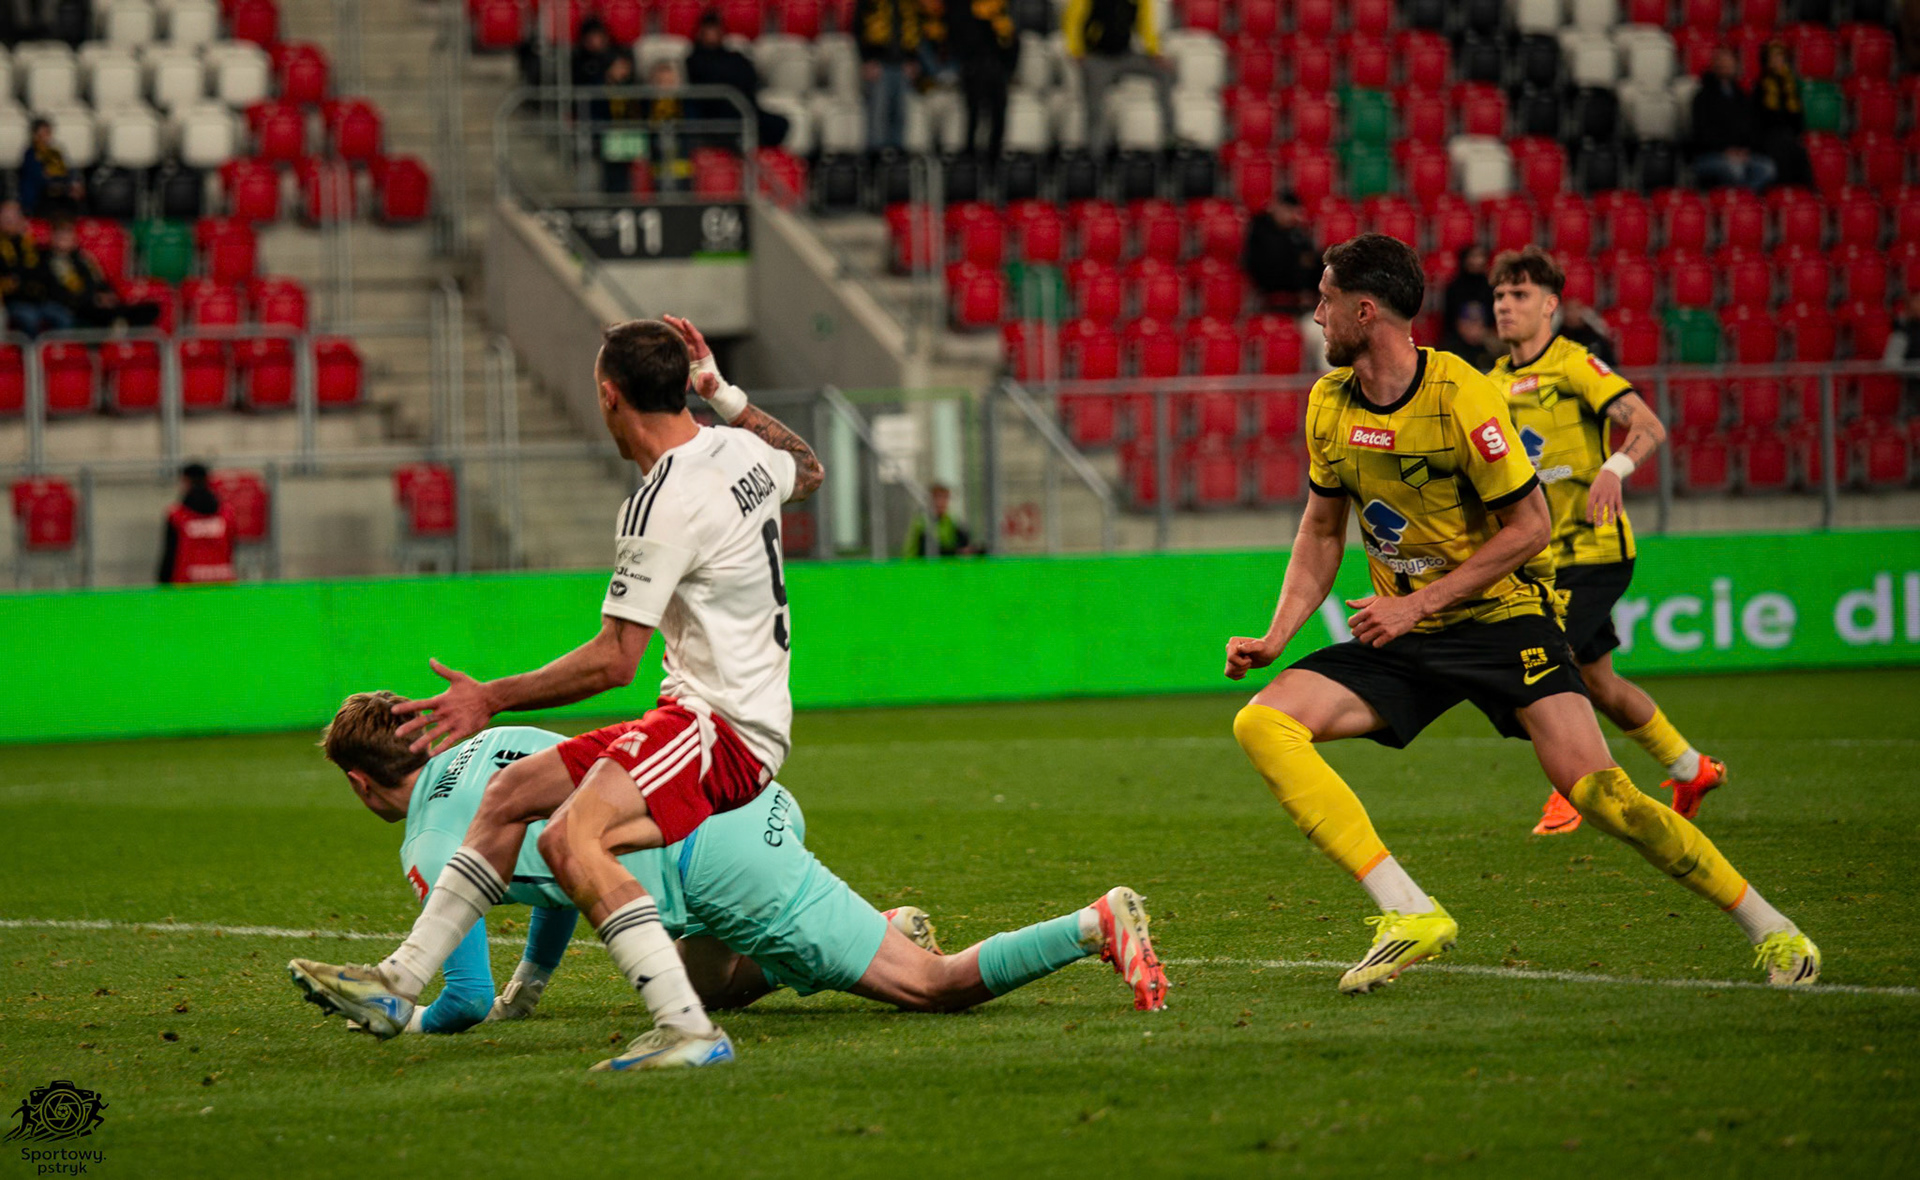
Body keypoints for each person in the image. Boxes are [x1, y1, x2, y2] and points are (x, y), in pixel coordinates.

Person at [1222, 233, 1820, 994]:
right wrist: (1278, 635)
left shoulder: (1462, 395)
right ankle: (1409, 912)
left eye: (1326, 299)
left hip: (1501, 620)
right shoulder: (1328, 403)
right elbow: (1320, 531)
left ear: (1364, 311)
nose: (1315, 315)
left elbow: (1531, 528)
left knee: (1603, 797)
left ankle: (1773, 928)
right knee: (1264, 723)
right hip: (1407, 627)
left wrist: (1418, 604)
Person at [285, 315, 829, 1072]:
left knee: (571, 838)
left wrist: (491, 697)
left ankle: (689, 1030)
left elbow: (615, 661)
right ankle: (398, 980)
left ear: (609, 396)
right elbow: (807, 469)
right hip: (721, 715)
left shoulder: (659, 502)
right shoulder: (739, 449)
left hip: (717, 725)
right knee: (512, 794)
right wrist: (724, 394)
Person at [296, 699, 1167, 1055]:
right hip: (725, 797)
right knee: (707, 982)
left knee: (931, 989)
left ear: (362, 784)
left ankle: (1094, 923)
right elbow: (561, 868)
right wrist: (529, 988)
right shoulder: (491, 745)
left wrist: (418, 1021)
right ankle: (872, 931)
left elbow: (459, 1000)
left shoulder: (427, 845)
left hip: (719, 856)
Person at [1488, 246, 1728, 835]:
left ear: (1551, 305)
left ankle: (1574, 788)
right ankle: (1692, 769)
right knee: (1598, 682)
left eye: (1519, 294)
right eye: (1499, 295)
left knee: (1546, 666)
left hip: (1593, 551)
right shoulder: (1491, 382)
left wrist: (1613, 469)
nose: (1505, 305)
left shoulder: (1575, 364)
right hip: (1540, 559)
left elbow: (1648, 424)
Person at [1063, 0, 1173, 156]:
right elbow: (1072, 19)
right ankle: (1096, 154)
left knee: (1163, 72)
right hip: (1098, 57)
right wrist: (1076, 50)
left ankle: (1169, 137)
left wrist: (1154, 52)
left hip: (1125, 55)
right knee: (1094, 107)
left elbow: (1145, 23)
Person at [684, 11, 789, 150]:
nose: (712, 34)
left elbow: (750, 78)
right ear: (700, 32)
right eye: (709, 29)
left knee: (779, 123)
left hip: (745, 106)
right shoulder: (693, 60)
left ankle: (759, 151)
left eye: (715, 29)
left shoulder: (735, 57)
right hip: (715, 111)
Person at [42, 219, 160, 329]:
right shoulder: (47, 261)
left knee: (150, 309)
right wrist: (95, 298)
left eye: (68, 235)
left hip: (96, 300)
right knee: (104, 313)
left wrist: (108, 294)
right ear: (53, 238)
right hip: (76, 305)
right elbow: (58, 291)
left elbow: (99, 280)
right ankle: (119, 329)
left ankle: (123, 329)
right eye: (61, 236)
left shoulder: (83, 258)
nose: (65, 239)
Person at [1691, 46, 1776, 191]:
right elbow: (1701, 132)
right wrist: (1725, 150)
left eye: (1729, 63)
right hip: (1710, 155)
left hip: (1740, 154)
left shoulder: (1742, 96)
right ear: (1714, 66)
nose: (1726, 66)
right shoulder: (1702, 97)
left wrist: (1745, 150)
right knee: (1735, 170)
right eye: (1722, 62)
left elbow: (1751, 128)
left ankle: (1744, 199)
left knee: (1768, 168)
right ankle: (1736, 200)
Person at [943, 0, 1018, 159]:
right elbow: (957, 37)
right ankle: (969, 153)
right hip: (974, 68)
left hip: (997, 69)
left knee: (998, 115)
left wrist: (1009, 66)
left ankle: (994, 156)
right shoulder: (963, 8)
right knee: (973, 114)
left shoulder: (1000, 9)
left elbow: (1011, 42)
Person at [856, 0, 931, 152]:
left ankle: (898, 154)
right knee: (878, 112)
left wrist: (914, 59)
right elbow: (858, 27)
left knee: (902, 113)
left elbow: (919, 28)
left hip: (903, 64)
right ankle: (876, 155)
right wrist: (867, 60)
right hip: (879, 64)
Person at [157, 462, 236, 586]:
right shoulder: (227, 515)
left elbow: (170, 553)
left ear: (186, 481)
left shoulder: (177, 516)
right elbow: (231, 548)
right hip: (221, 581)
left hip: (187, 583)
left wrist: (163, 583)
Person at [0, 199, 70, 337]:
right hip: (13, 301)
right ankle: (32, 351)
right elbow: (11, 274)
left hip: (38, 299)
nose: (11, 221)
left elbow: (41, 270)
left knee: (63, 317)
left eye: (14, 217)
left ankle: (60, 350)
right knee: (30, 319)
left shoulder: (31, 243)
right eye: (6, 218)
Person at [1242, 191, 1319, 314]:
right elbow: (1259, 263)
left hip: (1297, 297)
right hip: (1268, 291)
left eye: (1293, 212)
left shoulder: (1297, 233)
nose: (1290, 216)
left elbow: (1309, 259)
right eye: (1287, 211)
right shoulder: (1260, 229)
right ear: (1277, 207)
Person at [1753, 41, 1812, 188]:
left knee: (1798, 152)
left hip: (1789, 136)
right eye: (1773, 57)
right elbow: (1760, 119)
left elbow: (1798, 118)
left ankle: (1804, 193)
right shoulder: (1760, 86)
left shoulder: (1790, 86)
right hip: (1769, 138)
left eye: (1780, 56)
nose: (1777, 60)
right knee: (1780, 150)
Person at [17, 118, 80, 216]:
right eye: (42, 133)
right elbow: (39, 177)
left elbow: (66, 172)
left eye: (48, 133)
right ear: (35, 135)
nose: (46, 137)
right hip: (40, 197)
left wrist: (72, 183)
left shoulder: (55, 152)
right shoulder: (31, 154)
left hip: (58, 193)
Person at [902, 483, 978, 556]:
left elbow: (962, 544)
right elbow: (929, 550)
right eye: (937, 498)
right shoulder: (921, 523)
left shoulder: (952, 522)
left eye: (945, 498)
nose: (940, 502)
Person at [1557, 290, 1616, 368]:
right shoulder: (1557, 337)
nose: (1572, 313)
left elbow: (1610, 364)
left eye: (1576, 309)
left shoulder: (1594, 337)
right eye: (1569, 309)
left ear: (1582, 311)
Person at [1441, 243, 1492, 331]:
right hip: (1458, 334)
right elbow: (1449, 318)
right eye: (1473, 256)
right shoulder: (1454, 288)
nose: (1477, 261)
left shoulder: (1491, 287)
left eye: (1480, 256)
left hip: (1486, 333)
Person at [1438, 301, 1498, 372]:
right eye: (1468, 321)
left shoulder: (1490, 348)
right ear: (1459, 323)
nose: (1473, 327)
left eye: (1477, 321)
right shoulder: (1449, 349)